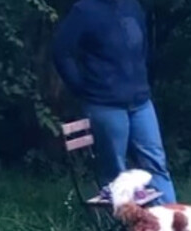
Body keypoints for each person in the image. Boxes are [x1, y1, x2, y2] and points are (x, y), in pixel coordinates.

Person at [51, 0, 177, 204]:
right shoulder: (84, 10)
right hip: (105, 104)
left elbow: (144, 48)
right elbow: (61, 52)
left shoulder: (132, 6)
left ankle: (171, 224)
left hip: (141, 101)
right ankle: (128, 225)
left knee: (156, 164)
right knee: (116, 171)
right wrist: (82, 88)